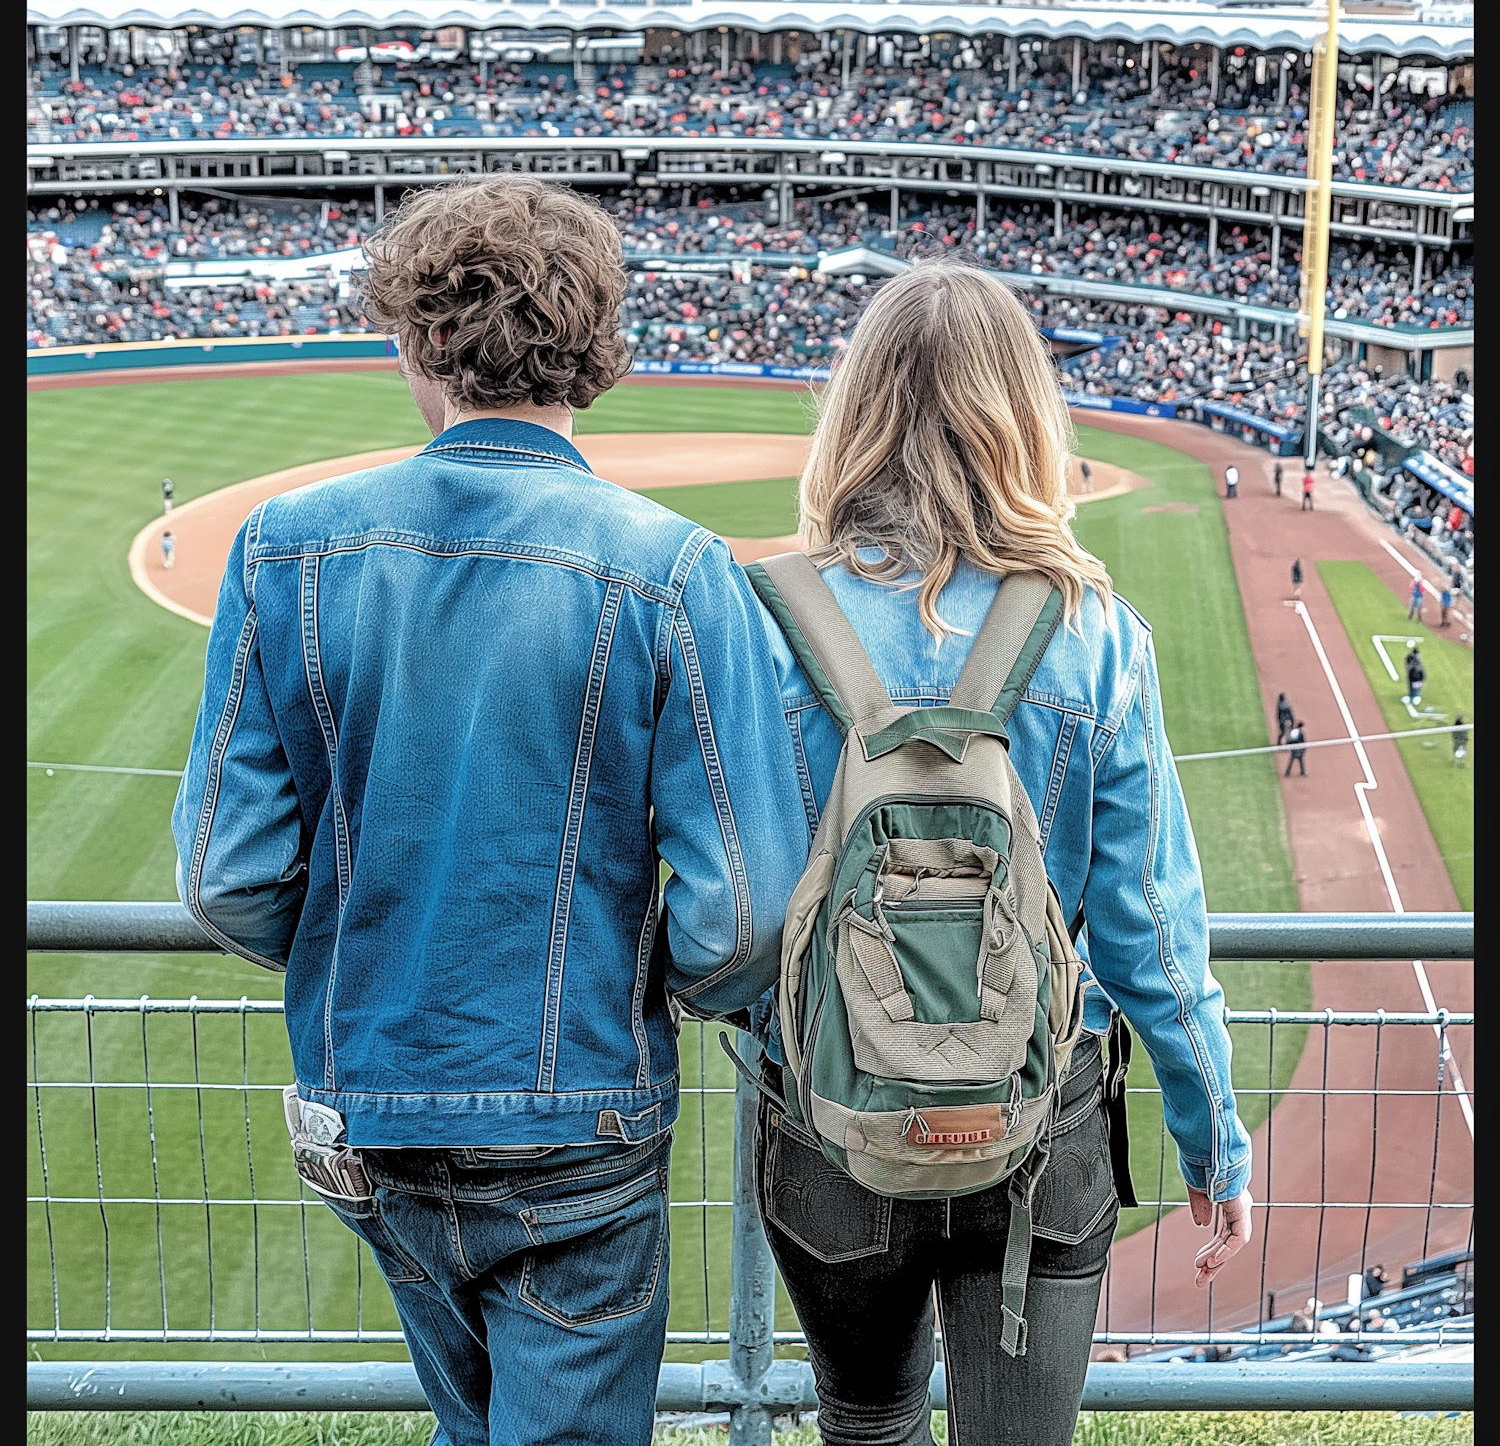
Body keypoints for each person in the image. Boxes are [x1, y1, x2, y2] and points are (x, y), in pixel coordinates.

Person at [171, 177, 807, 1446]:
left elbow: (229, 877)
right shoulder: (677, 570)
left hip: (372, 1107)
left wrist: (380, 943)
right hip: (580, 1113)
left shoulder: (285, 544)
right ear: (596, 351)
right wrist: (627, 975)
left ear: (416, 340)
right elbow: (746, 918)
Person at [747, 264, 1253, 1446]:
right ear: (1025, 422)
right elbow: (1150, 937)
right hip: (1041, 1121)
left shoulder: (757, 623)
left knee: (864, 1425)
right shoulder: (1095, 636)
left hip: (830, 1117)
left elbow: (725, 910)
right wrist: (1211, 1141)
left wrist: (771, 1026)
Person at [1404, 642, 1426, 709]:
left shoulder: (1416, 663)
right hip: (1415, 676)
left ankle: (1415, 697)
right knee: (1412, 687)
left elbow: (1412, 666)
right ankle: (1411, 696)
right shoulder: (1415, 660)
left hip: (1417, 677)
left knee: (1415, 688)